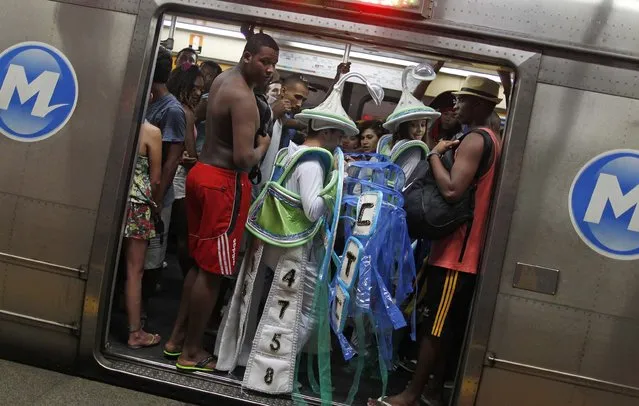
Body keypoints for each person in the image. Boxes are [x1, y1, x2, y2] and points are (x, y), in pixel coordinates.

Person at [215, 70, 381, 398]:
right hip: (295, 245)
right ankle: (275, 374)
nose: (341, 140)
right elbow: (312, 209)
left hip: (268, 239)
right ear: (329, 132)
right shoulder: (314, 164)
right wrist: (336, 189)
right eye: (339, 133)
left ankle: (245, 357)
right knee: (304, 311)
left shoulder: (290, 151)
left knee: (257, 301)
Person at [370, 76, 502, 406]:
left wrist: (432, 155)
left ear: (482, 106)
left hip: (458, 253)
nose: (456, 105)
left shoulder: (474, 139)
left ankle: (410, 396)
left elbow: (453, 190)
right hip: (457, 251)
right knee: (445, 326)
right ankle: (432, 391)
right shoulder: (493, 138)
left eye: (465, 99)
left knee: (435, 327)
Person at [163, 33, 278, 373]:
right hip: (225, 184)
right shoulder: (243, 98)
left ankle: (175, 340)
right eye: (264, 61)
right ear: (247, 57)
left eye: (274, 64)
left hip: (202, 174)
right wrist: (265, 145)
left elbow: (196, 116)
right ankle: (192, 352)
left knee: (199, 265)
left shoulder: (223, 81)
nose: (270, 69)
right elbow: (244, 158)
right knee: (213, 272)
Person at [143, 46, 187, 311]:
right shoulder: (147, 101)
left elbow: (172, 159)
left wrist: (157, 199)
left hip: (157, 193)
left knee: (152, 255)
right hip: (141, 190)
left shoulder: (172, 110)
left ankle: (144, 307)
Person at [124, 121, 162, 349]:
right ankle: (135, 333)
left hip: (111, 201)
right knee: (134, 271)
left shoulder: (113, 122)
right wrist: (155, 206)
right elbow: (155, 178)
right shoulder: (151, 132)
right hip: (137, 205)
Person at [167, 64, 204, 278]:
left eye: (201, 88)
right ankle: (186, 279)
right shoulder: (186, 112)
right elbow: (190, 154)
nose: (198, 92)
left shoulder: (174, 107)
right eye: (195, 87)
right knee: (186, 234)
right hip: (181, 180)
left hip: (177, 176)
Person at [380, 64, 440, 179]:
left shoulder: (387, 144)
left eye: (423, 125)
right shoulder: (414, 150)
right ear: (403, 127)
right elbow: (402, 184)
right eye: (413, 125)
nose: (420, 130)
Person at [278, 75, 310, 149]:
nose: (299, 104)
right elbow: (289, 122)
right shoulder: (273, 110)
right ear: (283, 91)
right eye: (297, 97)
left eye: (303, 100)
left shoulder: (291, 113)